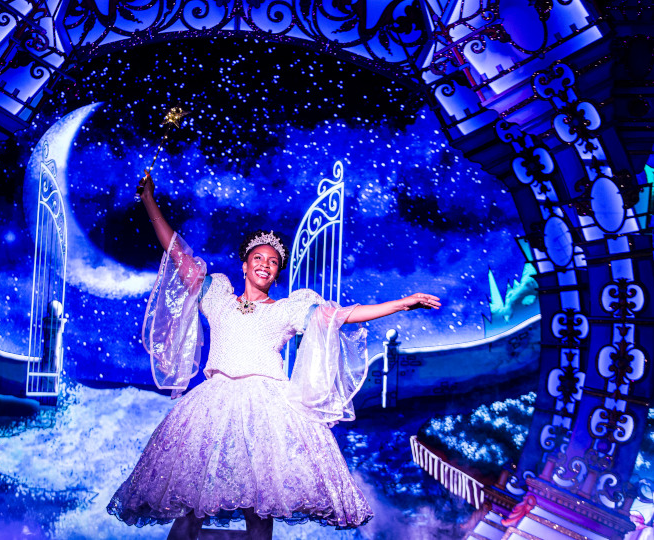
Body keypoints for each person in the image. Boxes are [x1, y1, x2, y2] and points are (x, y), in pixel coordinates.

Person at [107, 171, 441, 539]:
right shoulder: (216, 296)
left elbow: (343, 315)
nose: (265, 263)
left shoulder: (287, 310)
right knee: (190, 501)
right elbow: (177, 253)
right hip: (213, 403)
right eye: (258, 257)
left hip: (267, 408)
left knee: (260, 508)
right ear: (245, 264)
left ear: (277, 272)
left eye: (273, 261)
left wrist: (402, 304)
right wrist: (149, 200)